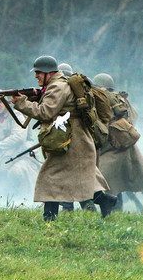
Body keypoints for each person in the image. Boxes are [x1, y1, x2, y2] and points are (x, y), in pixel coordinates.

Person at [10, 55, 115, 221]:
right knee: (78, 177)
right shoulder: (59, 84)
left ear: (48, 73)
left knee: (50, 176)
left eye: (38, 72)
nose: (36, 76)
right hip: (74, 138)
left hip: (70, 139)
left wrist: (21, 102)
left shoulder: (57, 87)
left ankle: (49, 218)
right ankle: (105, 201)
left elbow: (45, 112)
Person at [91, 73, 143, 210]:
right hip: (120, 147)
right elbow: (132, 118)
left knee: (106, 181)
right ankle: (113, 211)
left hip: (114, 148)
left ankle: (111, 212)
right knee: (113, 183)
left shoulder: (108, 101)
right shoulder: (120, 100)